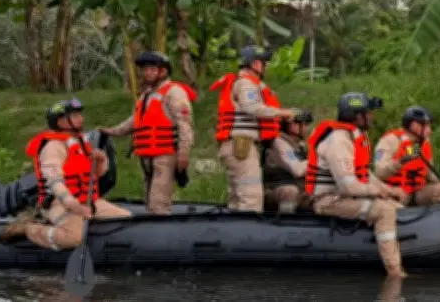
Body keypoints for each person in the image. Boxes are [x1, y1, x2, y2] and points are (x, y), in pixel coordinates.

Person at [0, 99, 131, 249]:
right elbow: (55, 182)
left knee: (124, 218)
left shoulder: (79, 143)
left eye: (80, 115)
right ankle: (28, 229)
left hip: (86, 200)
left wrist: (101, 160)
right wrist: (73, 205)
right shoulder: (53, 147)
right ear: (61, 121)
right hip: (59, 203)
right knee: (72, 238)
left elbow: (96, 176)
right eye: (75, 116)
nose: (81, 118)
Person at [304, 92, 409, 278]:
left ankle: (399, 249)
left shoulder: (351, 136)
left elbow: (365, 175)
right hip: (329, 200)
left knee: (396, 207)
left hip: (344, 196)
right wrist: (376, 192)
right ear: (356, 116)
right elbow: (348, 186)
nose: (371, 116)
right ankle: (394, 271)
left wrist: (390, 190)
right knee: (384, 211)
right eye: (368, 113)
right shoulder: (338, 141)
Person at [100, 51, 197, 214]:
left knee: (158, 203)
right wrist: (112, 131)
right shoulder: (146, 95)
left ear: (163, 71)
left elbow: (185, 125)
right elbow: (134, 121)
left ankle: (160, 224)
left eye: (152, 69)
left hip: (165, 155)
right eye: (145, 69)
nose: (147, 73)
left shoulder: (173, 92)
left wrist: (183, 154)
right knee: (149, 199)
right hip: (147, 156)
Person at [209, 45, 296, 213]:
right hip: (241, 145)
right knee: (251, 197)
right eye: (264, 63)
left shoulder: (244, 83)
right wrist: (283, 113)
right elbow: (253, 107)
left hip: (238, 145)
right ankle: (247, 229)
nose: (266, 67)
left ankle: (235, 227)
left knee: (237, 198)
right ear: (256, 64)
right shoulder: (246, 84)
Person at [374, 106, 440, 206]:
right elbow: (380, 172)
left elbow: (430, 172)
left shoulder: (424, 142)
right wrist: (400, 162)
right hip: (395, 190)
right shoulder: (390, 141)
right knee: (391, 204)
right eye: (427, 126)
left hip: (417, 190)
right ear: (414, 126)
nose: (430, 131)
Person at [262, 110, 313, 213]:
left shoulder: (298, 145)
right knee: (290, 191)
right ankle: (285, 221)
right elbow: (297, 169)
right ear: (288, 125)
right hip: (275, 189)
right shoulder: (279, 143)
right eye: (301, 123)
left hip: (298, 188)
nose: (305, 127)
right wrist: (317, 159)